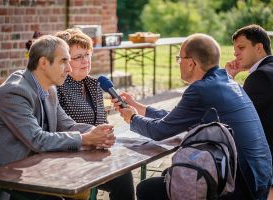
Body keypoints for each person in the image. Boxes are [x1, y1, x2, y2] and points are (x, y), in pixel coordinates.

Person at [112, 33, 272, 200]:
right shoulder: (225, 81)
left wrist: (132, 118)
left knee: (147, 188)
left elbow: (159, 131)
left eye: (179, 59)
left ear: (191, 63)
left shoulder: (200, 90)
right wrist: (139, 108)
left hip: (238, 187)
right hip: (258, 179)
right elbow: (176, 118)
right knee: (169, 174)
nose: (178, 63)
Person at [0, 35, 115, 200]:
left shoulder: (50, 89)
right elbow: (37, 139)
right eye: (63, 61)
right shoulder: (14, 93)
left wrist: (99, 133)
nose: (69, 69)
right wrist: (85, 139)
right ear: (44, 63)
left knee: (118, 178)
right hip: (4, 179)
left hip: (37, 172)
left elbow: (68, 125)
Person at [54, 28, 135, 200]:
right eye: (78, 57)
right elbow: (57, 128)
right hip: (70, 159)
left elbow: (101, 123)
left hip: (97, 154)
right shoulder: (57, 88)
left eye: (87, 54)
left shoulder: (95, 84)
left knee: (124, 176)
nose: (85, 61)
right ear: (65, 61)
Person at [225, 24, 273, 200]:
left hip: (262, 166)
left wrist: (228, 78)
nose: (236, 53)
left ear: (259, 47)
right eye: (235, 49)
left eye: (241, 47)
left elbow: (233, 116)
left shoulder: (260, 76)